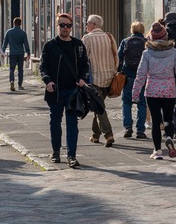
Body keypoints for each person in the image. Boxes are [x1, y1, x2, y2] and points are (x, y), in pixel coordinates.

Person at [131, 22, 176, 160]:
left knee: (156, 121)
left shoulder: (146, 53)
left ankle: (157, 151)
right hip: (169, 90)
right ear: (165, 36)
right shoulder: (174, 52)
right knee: (168, 118)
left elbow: (141, 74)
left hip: (152, 91)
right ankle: (169, 136)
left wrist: (135, 93)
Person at [40, 13, 89, 168]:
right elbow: (43, 66)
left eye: (68, 25)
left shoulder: (78, 45)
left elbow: (85, 65)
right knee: (55, 122)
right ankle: (55, 151)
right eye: (62, 25)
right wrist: (47, 80)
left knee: (72, 123)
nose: (65, 28)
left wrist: (83, 78)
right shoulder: (50, 45)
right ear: (57, 26)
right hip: (55, 91)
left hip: (73, 91)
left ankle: (71, 156)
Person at [82, 14, 118, 148]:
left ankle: (108, 134)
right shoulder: (109, 37)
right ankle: (95, 136)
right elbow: (116, 55)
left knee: (99, 107)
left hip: (95, 78)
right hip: (109, 77)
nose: (86, 26)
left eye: (87, 23)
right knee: (98, 105)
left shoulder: (87, 38)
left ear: (93, 25)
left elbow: (83, 59)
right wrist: (114, 71)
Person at [117, 21, 148, 139]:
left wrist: (119, 71)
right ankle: (140, 130)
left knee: (126, 102)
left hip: (128, 75)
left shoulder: (125, 41)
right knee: (142, 103)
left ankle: (128, 127)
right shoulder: (146, 42)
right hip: (142, 76)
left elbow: (119, 57)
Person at [2, 17, 31, 91]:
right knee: (20, 70)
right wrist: (28, 53)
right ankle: (20, 85)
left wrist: (3, 51)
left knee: (12, 69)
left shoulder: (9, 32)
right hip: (20, 53)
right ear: (20, 24)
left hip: (12, 53)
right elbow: (26, 44)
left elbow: (5, 43)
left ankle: (12, 80)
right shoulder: (23, 33)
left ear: (13, 23)